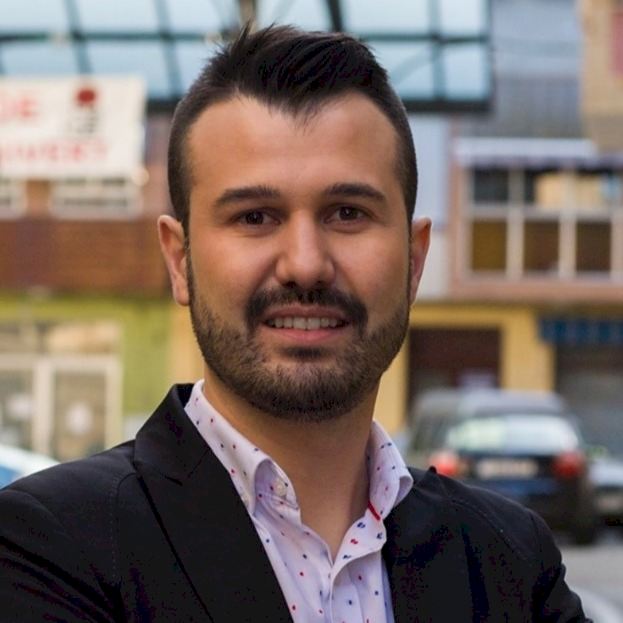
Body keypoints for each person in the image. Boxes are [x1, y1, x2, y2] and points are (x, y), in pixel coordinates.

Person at [0, 25, 590, 623]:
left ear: (414, 262)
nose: (305, 264)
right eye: (255, 217)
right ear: (180, 261)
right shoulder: (49, 546)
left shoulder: (511, 560)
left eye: (347, 213)